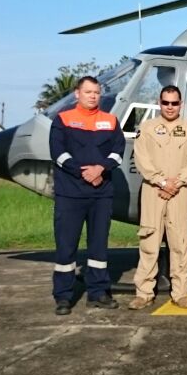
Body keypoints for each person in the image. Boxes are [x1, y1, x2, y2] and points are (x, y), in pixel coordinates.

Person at [48, 76, 125, 315]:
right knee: (66, 247)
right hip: (70, 195)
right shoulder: (63, 120)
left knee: (99, 247)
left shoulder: (110, 121)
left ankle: (98, 292)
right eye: (89, 92)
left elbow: (118, 152)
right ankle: (63, 296)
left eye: (97, 92)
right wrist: (83, 173)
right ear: (77, 94)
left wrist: (101, 169)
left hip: (100, 195)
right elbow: (57, 153)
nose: (93, 96)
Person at [130, 85, 187, 310]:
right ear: (159, 102)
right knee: (149, 242)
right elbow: (142, 159)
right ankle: (144, 293)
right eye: (165, 103)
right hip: (154, 191)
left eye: (174, 103)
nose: (170, 107)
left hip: (180, 192)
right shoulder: (147, 128)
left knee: (180, 243)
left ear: (180, 104)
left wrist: (177, 182)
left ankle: (180, 293)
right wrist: (162, 182)